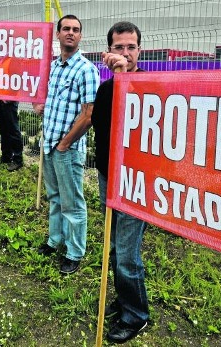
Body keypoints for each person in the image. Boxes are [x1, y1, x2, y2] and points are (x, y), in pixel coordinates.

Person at [92, 22, 149, 343]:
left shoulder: (150, 86)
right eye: (119, 48)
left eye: (131, 47)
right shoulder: (105, 89)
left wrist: (125, 76)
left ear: (139, 50)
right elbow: (101, 129)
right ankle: (126, 299)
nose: (125, 53)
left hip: (135, 183)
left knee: (127, 256)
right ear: (109, 52)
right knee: (113, 249)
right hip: (107, 178)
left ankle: (136, 316)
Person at [33, 14, 100, 274]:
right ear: (58, 35)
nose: (70, 33)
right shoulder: (53, 67)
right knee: (55, 198)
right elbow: (48, 100)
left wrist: (64, 144)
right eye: (66, 29)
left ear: (80, 36)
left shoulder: (86, 70)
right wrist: (40, 106)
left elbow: (89, 114)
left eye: (76, 29)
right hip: (48, 143)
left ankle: (74, 252)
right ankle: (55, 240)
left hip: (67, 149)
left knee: (72, 203)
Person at [0, 99, 24, 171]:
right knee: (3, 129)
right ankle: (6, 156)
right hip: (0, 100)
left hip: (10, 101)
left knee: (13, 130)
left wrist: (10, 99)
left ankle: (18, 160)